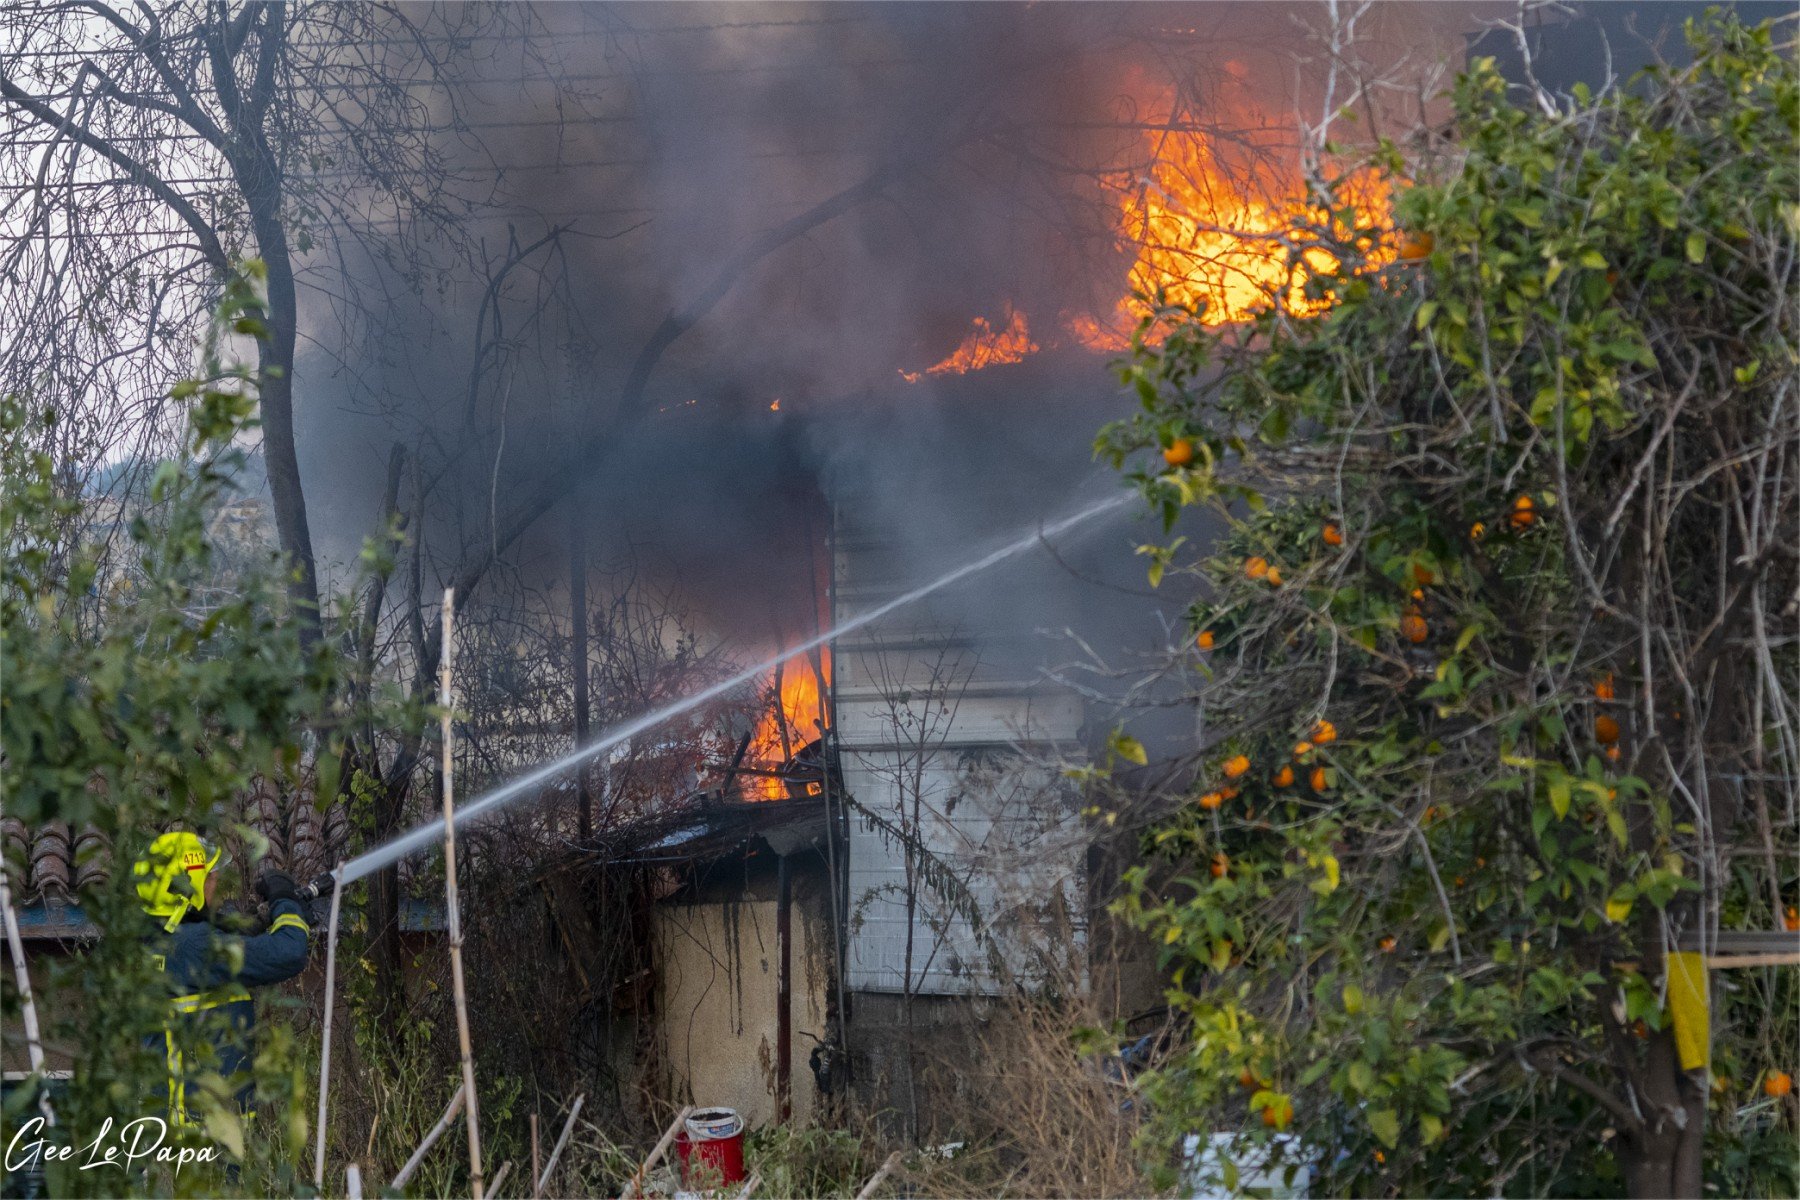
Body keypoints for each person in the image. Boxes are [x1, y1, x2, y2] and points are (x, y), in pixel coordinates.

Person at [132, 832, 310, 1126]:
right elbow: (289, 952)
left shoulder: (156, 941)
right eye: (211, 877)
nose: (217, 885)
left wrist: (242, 929)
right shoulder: (197, 946)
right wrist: (285, 901)